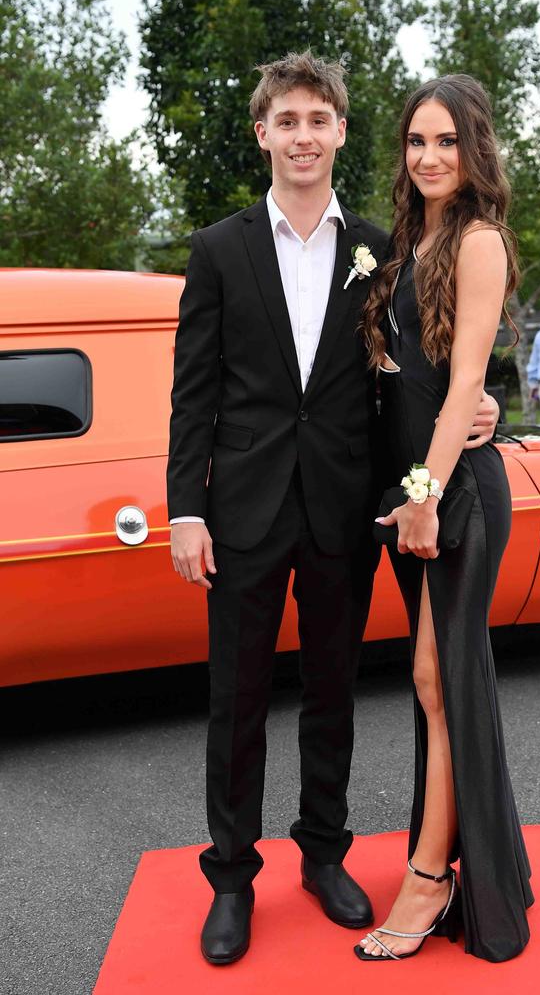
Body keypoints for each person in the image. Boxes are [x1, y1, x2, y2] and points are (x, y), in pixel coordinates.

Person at [166, 51, 500, 966]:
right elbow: (192, 392)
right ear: (264, 133)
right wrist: (184, 511)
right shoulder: (217, 249)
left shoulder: (383, 249)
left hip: (343, 509)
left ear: (342, 132)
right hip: (238, 511)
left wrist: (485, 401)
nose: (304, 136)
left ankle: (323, 857)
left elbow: (422, 364)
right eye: (289, 121)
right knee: (234, 699)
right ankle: (231, 878)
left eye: (321, 120)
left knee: (332, 695)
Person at [357, 74, 534, 964]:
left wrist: (424, 494)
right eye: (417, 142)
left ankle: (430, 880)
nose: (429, 158)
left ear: (475, 147)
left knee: (439, 677)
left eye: (447, 142)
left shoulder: (478, 240)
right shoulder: (405, 239)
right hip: (411, 485)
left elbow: (466, 380)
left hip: (451, 490)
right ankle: (471, 866)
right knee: (440, 683)